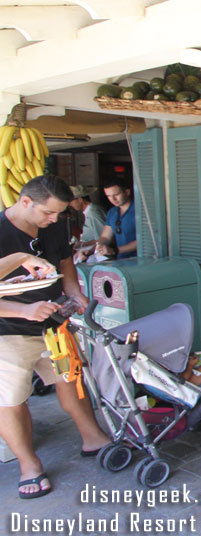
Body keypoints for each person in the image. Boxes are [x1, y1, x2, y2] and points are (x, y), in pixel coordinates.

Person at [0, 176, 109, 499]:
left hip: (54, 326)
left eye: (59, 214)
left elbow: (64, 263)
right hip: (8, 333)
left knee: (71, 382)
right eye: (48, 213)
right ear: (25, 202)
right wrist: (24, 311)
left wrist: (75, 294)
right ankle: (29, 465)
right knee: (11, 401)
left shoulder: (55, 227)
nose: (54, 220)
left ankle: (93, 438)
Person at [95, 178, 136, 259]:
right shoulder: (112, 212)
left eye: (116, 195)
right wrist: (99, 246)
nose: (113, 199)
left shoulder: (140, 211)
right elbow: (105, 237)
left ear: (127, 192)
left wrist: (115, 250)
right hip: (121, 260)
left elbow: (145, 241)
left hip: (140, 260)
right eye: (109, 196)